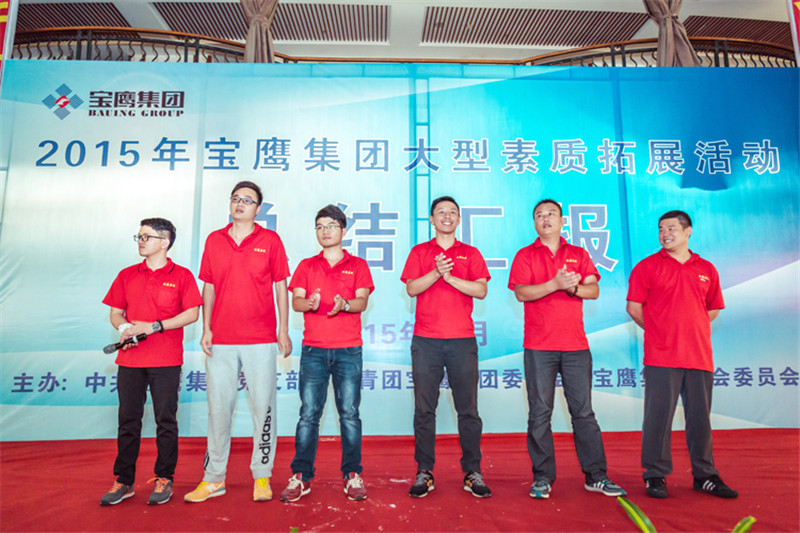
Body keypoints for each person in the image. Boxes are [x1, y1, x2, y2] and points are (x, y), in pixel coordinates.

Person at [507, 199, 625, 500]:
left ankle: (596, 476)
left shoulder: (578, 254)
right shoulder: (525, 255)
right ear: (534, 223)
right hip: (539, 347)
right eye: (539, 215)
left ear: (563, 222)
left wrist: (571, 287)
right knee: (539, 414)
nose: (545, 218)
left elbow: (593, 289)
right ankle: (542, 478)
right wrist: (555, 283)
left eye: (551, 214)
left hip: (575, 347)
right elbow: (522, 293)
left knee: (583, 413)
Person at [185, 181, 292, 503]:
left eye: (247, 200)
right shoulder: (214, 240)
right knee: (219, 410)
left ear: (258, 209)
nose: (240, 204)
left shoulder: (270, 240)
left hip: (260, 339)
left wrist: (283, 330)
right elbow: (209, 286)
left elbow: (281, 287)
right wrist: (206, 328)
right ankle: (214, 478)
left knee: (263, 408)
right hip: (221, 339)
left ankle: (262, 476)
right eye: (235, 198)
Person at [627, 210, 738, 499]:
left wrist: (691, 328)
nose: (665, 234)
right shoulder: (647, 267)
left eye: (671, 228)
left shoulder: (706, 268)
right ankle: (655, 475)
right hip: (662, 356)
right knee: (658, 418)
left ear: (688, 232)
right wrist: (661, 330)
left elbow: (712, 308)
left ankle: (705, 475)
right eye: (661, 229)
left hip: (699, 355)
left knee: (700, 419)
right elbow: (634, 308)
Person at [100, 218, 202, 506]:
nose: (141, 241)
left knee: (165, 421)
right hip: (130, 360)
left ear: (165, 242)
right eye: (139, 236)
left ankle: (164, 477)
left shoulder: (182, 275)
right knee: (127, 421)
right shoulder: (127, 274)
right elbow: (116, 313)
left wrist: (154, 327)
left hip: (166, 360)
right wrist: (125, 329)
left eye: (147, 237)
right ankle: (124, 481)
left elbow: (192, 314)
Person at [280, 205, 374, 503]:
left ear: (343, 230)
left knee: (350, 414)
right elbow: (296, 301)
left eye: (331, 225)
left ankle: (352, 474)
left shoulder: (357, 265)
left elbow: (361, 302)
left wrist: (344, 305)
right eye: (320, 226)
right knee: (309, 415)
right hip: (314, 351)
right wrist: (310, 303)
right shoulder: (307, 266)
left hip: (348, 350)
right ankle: (301, 476)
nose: (325, 231)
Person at [400, 195, 492, 499]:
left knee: (469, 410)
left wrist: (450, 277)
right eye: (441, 212)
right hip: (426, 341)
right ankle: (424, 471)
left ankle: (472, 471)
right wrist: (436, 272)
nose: (447, 216)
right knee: (424, 409)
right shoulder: (420, 252)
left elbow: (481, 290)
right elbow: (412, 288)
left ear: (459, 219)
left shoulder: (470, 253)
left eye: (453, 212)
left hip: (462, 340)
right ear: (432, 219)